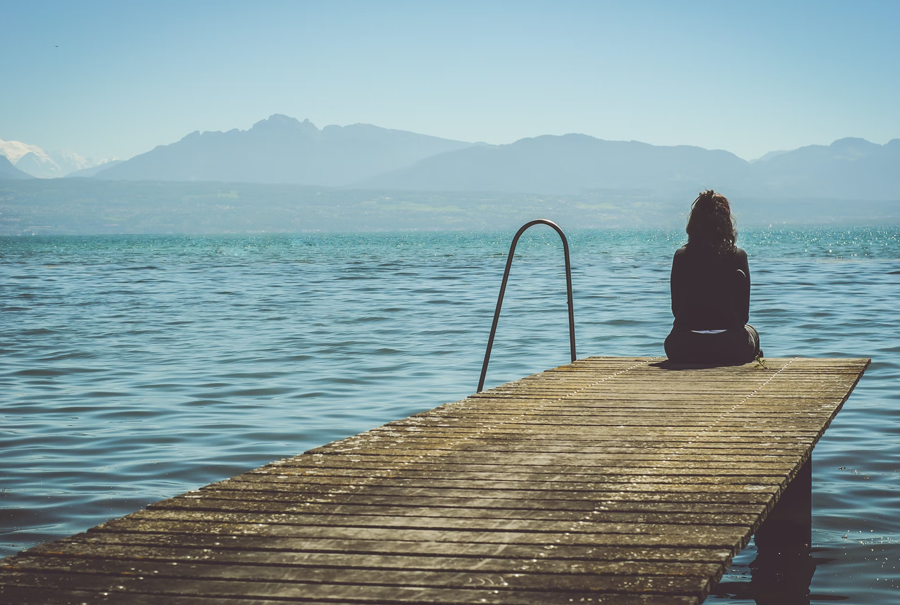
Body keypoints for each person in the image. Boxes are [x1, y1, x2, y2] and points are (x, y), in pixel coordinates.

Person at [664, 190, 762, 363]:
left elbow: (676, 310)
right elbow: (743, 316)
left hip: (683, 346)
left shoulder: (681, 256)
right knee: (752, 331)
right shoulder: (738, 256)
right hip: (731, 346)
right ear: (726, 223)